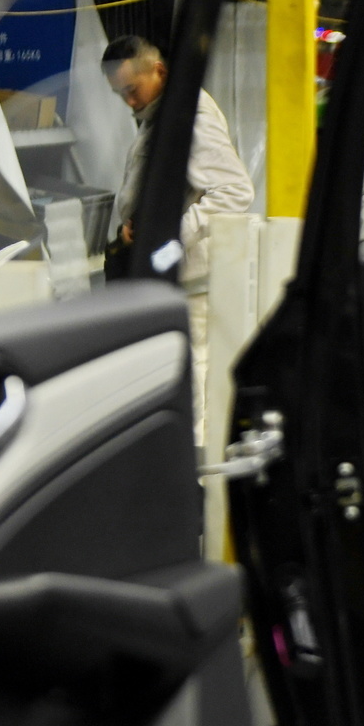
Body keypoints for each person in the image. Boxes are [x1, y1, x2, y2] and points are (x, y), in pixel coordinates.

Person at [103, 35, 254, 441]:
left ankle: (195, 468)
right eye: (120, 94)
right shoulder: (162, 115)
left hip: (190, 280)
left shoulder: (190, 117)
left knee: (193, 377)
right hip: (171, 275)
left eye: (132, 89)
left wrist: (167, 237)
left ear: (160, 71)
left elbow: (234, 191)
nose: (128, 101)